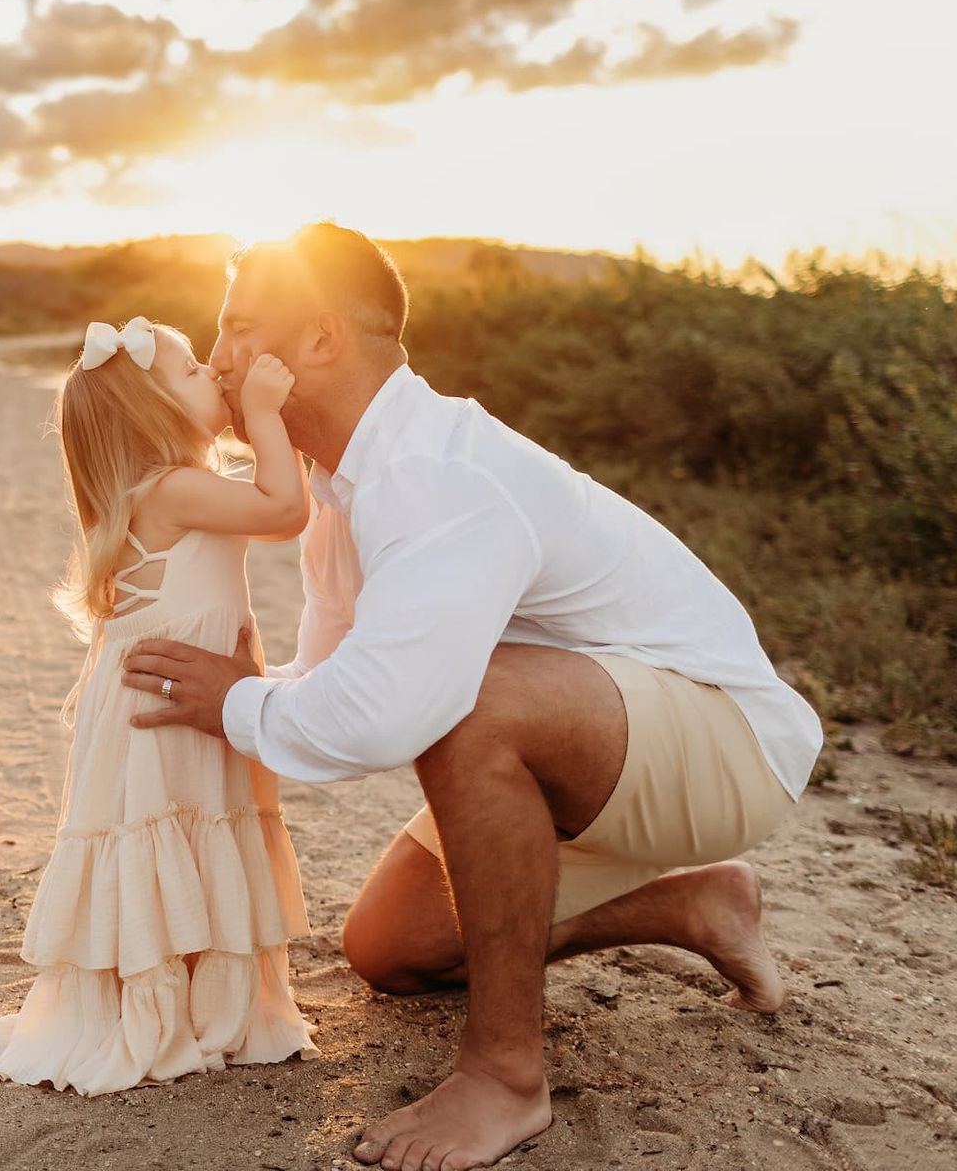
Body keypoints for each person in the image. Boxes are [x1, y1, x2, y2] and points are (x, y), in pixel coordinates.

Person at [120, 224, 823, 1169]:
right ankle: (695, 907)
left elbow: (385, 714)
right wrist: (235, 691)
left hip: (728, 737)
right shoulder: (342, 491)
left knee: (472, 706)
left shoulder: (433, 473)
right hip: (602, 749)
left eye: (240, 329)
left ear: (321, 342)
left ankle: (504, 1077)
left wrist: (238, 703)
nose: (219, 360)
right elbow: (330, 681)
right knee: (390, 948)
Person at [0, 316, 317, 1096]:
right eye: (194, 368)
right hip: (169, 707)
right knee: (180, 824)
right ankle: (176, 1007)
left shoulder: (161, 488)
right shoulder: (171, 489)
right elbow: (283, 511)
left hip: (163, 699)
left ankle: (187, 991)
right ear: (152, 414)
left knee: (180, 826)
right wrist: (263, 413)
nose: (214, 375)